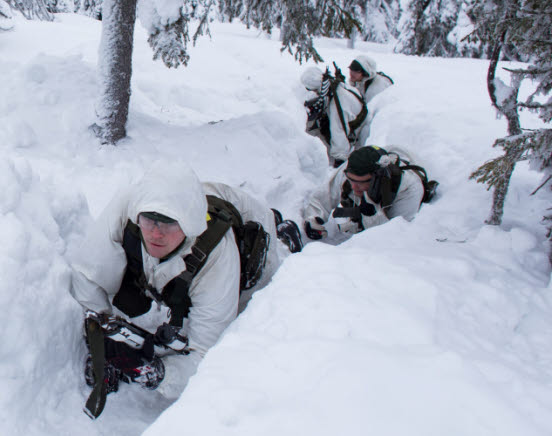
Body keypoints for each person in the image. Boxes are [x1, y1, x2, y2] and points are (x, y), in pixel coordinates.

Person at [68, 164, 300, 406]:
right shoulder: (131, 206)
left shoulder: (218, 259)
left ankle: (284, 234)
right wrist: (102, 333)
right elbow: (87, 273)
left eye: (168, 225)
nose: (156, 234)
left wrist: (157, 373)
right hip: (199, 204)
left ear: (188, 224)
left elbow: (207, 355)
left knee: (248, 318)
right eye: (149, 222)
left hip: (250, 234)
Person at [302, 146, 436, 241]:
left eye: (360, 182)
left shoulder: (409, 189)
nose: (353, 186)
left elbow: (391, 238)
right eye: (351, 180)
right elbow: (322, 197)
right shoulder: (351, 170)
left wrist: (371, 210)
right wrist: (313, 219)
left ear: (376, 178)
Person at [301, 66, 368, 168]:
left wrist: (339, 159)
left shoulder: (337, 103)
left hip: (357, 132)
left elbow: (339, 131)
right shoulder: (335, 85)